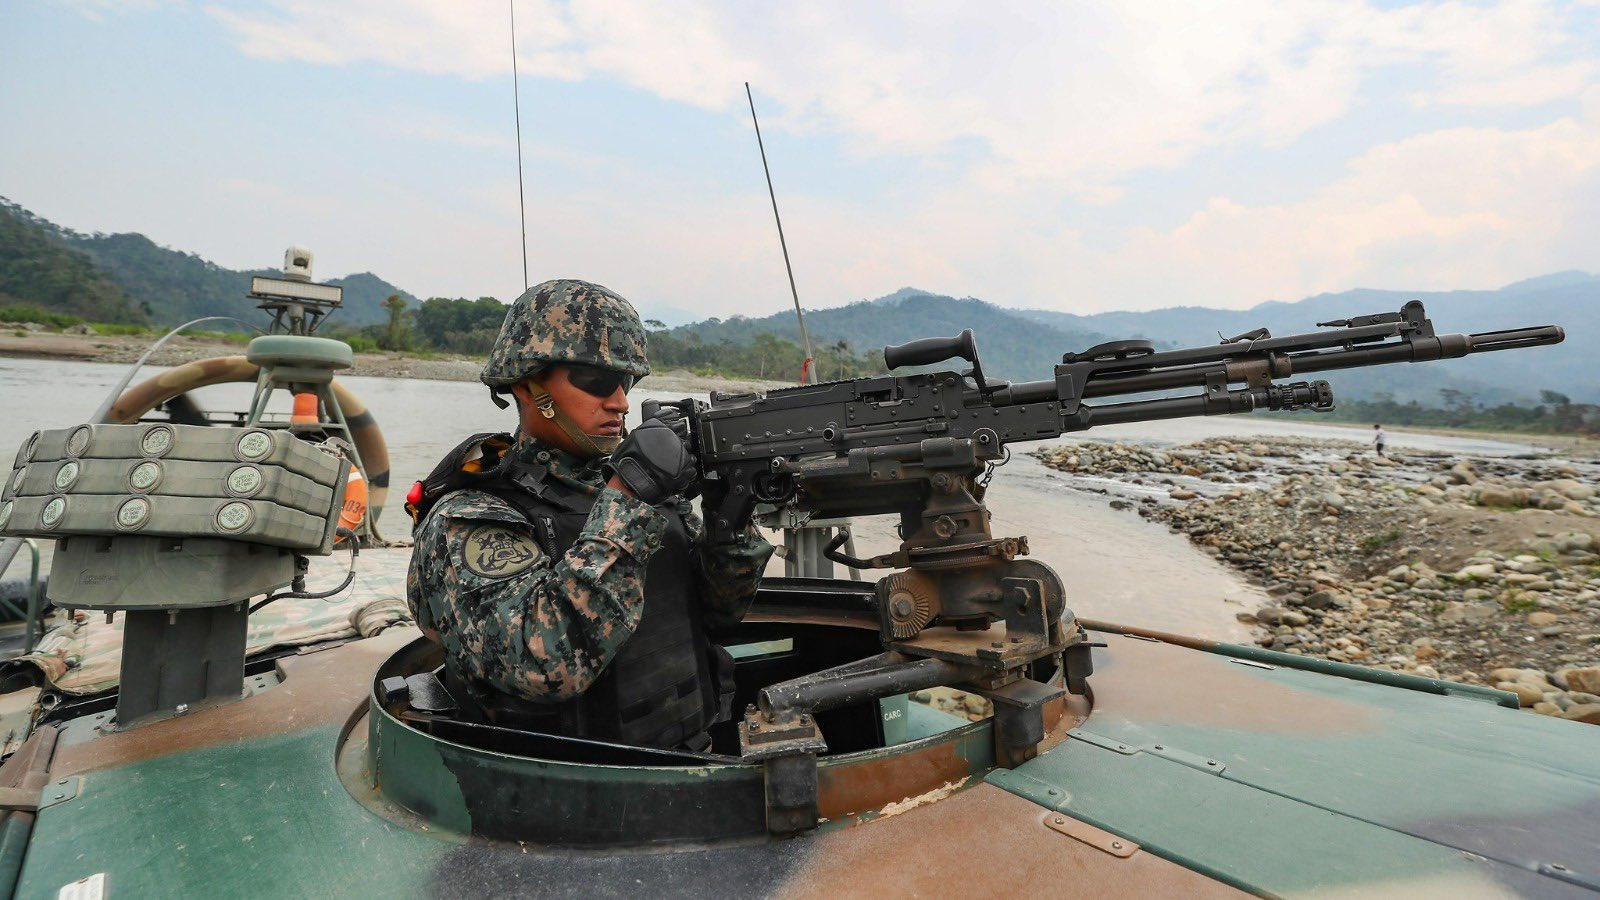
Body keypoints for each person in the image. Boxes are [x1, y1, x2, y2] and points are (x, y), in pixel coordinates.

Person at [405, 279, 773, 752]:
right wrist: (629, 497)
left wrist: (730, 519)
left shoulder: (634, 492)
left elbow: (718, 614)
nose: (619, 401)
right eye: (596, 382)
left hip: (690, 758)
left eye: (627, 383)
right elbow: (545, 666)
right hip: (569, 796)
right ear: (527, 382)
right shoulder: (473, 516)